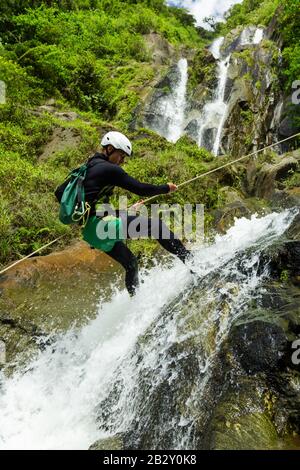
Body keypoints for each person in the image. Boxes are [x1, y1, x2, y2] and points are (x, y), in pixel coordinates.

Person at [57, 131, 192, 295]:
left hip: (92, 232)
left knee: (131, 263)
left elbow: (60, 192)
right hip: (101, 225)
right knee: (156, 226)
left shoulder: (88, 166)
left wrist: (113, 212)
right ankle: (193, 263)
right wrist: (166, 188)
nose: (122, 161)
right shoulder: (109, 169)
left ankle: (135, 300)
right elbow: (141, 188)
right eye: (121, 155)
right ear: (109, 149)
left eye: (124, 157)